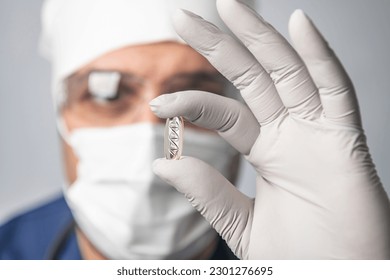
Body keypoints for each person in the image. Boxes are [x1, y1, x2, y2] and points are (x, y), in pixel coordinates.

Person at [1, 0, 390, 260]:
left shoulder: (297, 249)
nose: (150, 135)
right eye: (108, 95)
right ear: (62, 113)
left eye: (193, 96)